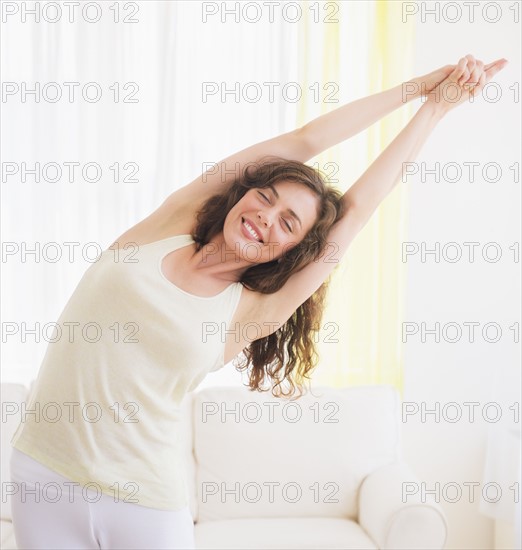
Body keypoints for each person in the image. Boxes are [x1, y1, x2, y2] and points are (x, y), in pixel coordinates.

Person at [9, 54, 507, 549]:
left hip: (145, 503)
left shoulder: (250, 313)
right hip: (43, 476)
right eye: (266, 197)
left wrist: (436, 109)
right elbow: (304, 141)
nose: (267, 217)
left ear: (296, 250)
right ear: (244, 194)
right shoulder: (168, 225)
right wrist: (417, 86)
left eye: (289, 222)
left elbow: (358, 209)